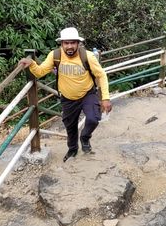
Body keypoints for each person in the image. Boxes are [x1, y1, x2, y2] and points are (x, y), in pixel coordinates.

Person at [19, 27, 112, 162]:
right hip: (68, 98)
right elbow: (40, 72)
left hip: (87, 93)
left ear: (78, 43)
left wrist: (106, 98)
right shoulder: (55, 55)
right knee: (70, 126)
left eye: (72, 43)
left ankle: (85, 137)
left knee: (93, 119)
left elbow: (101, 75)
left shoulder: (88, 56)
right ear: (61, 44)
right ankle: (72, 149)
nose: (69, 46)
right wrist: (32, 63)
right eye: (66, 43)